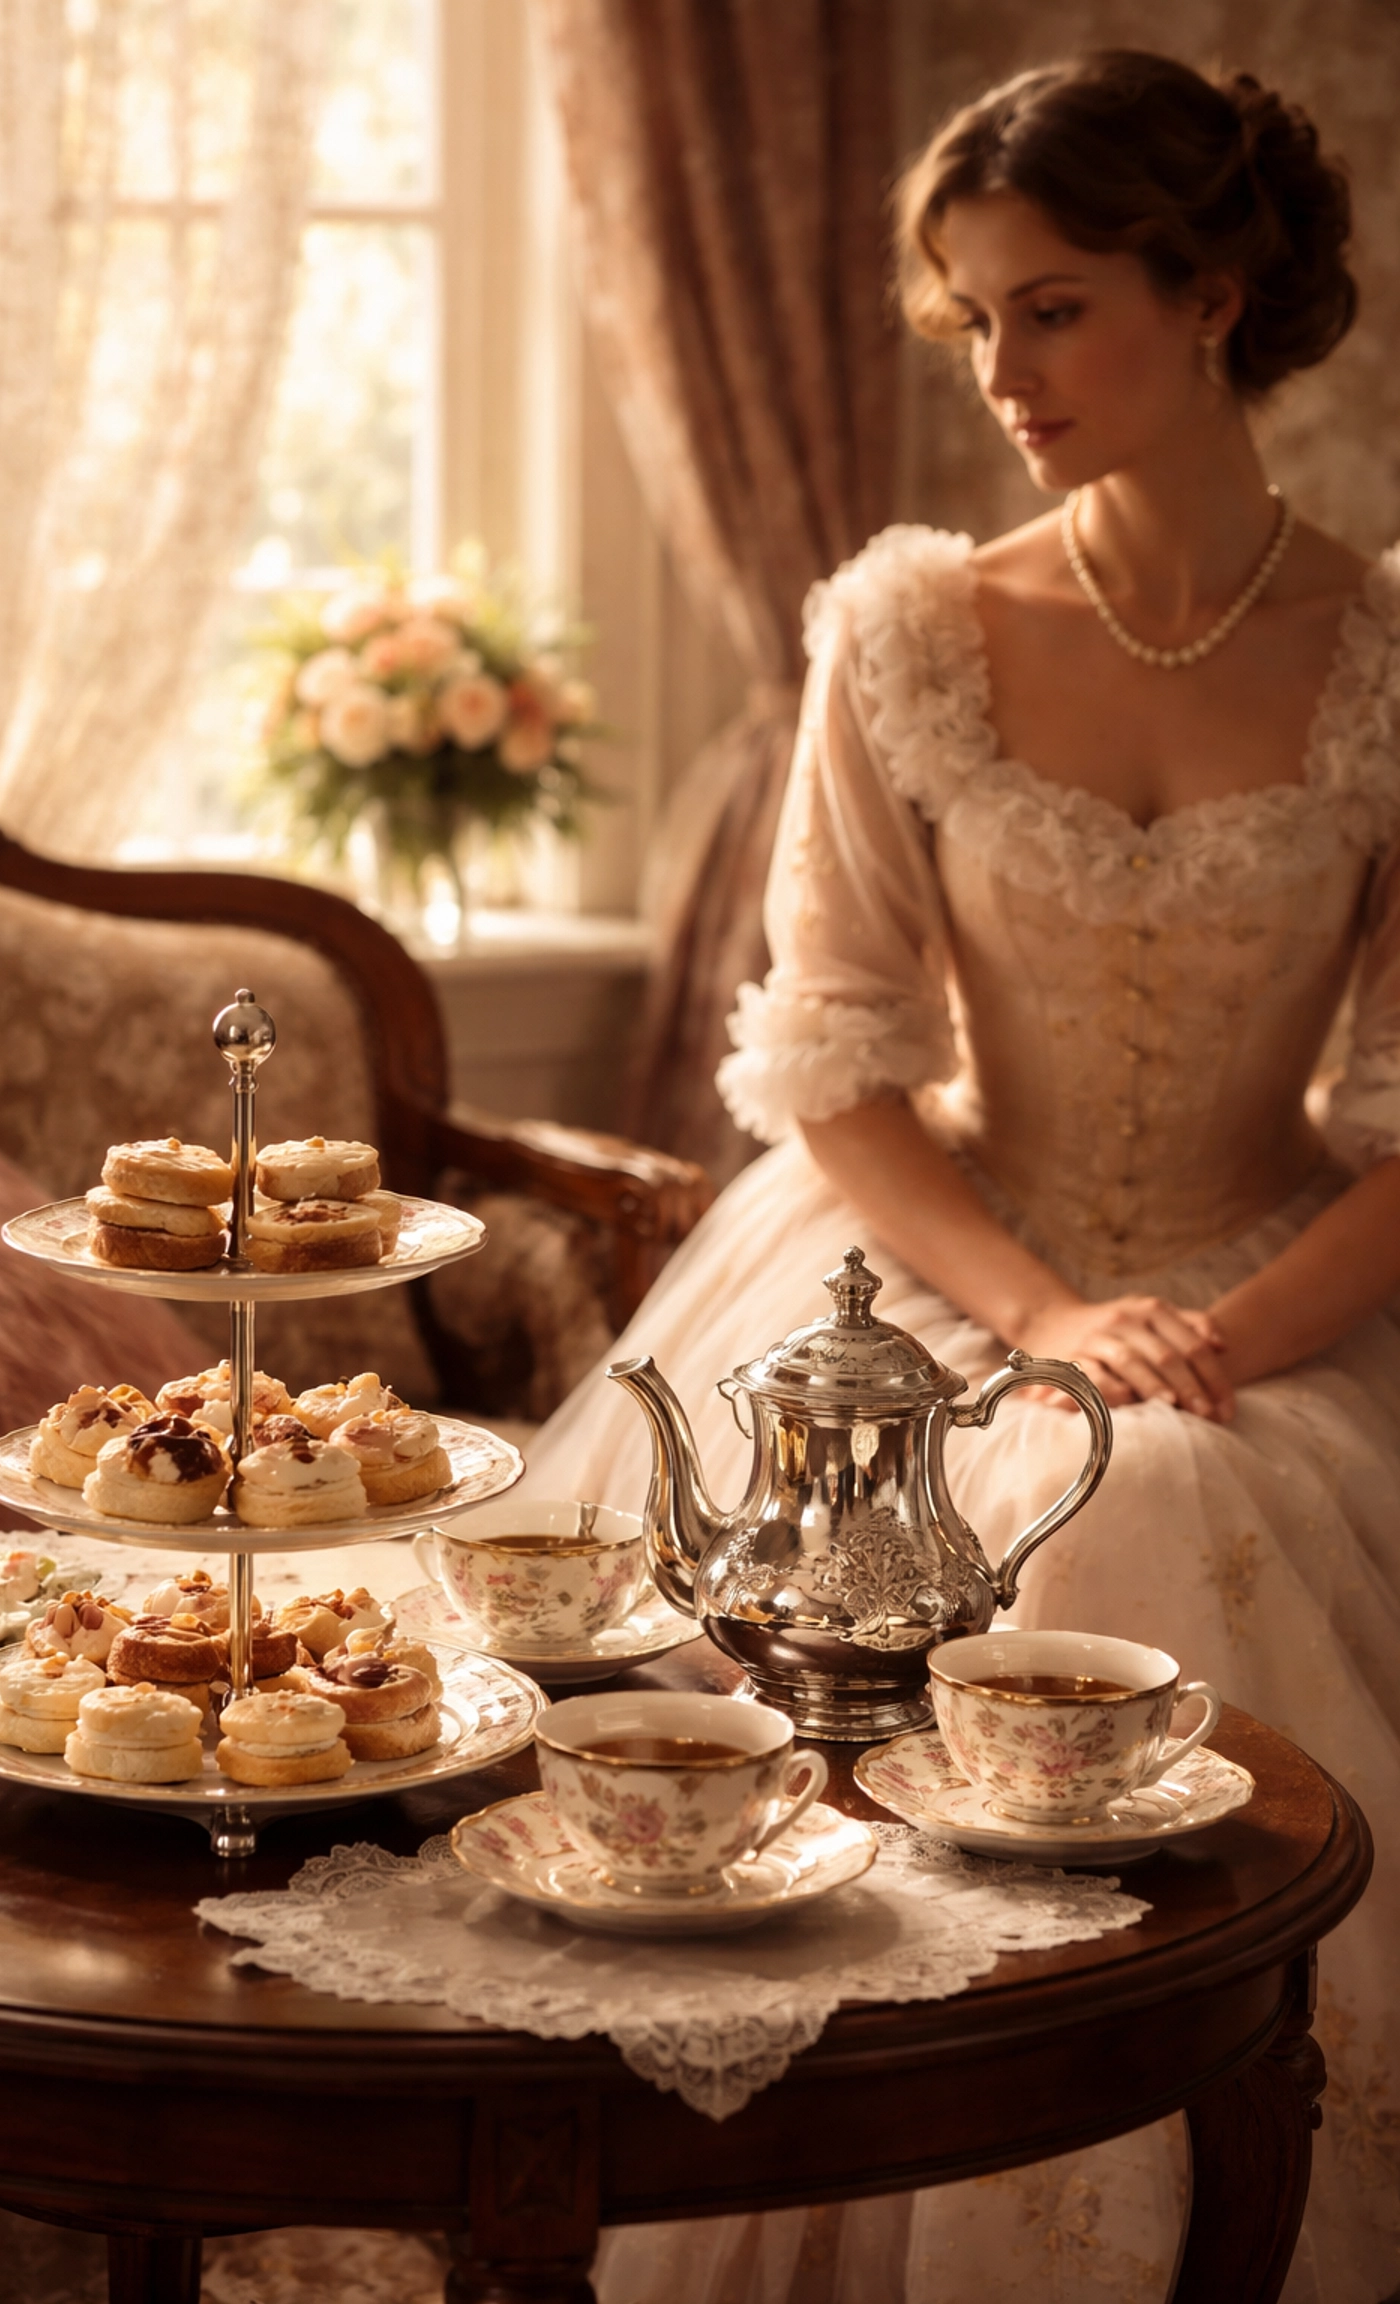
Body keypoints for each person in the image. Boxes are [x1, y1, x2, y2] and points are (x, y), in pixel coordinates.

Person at [526, 50, 1400, 2304]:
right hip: (940, 1271)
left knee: (1164, 1493)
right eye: (974, 319)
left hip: (1290, 1280)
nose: (998, 374)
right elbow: (830, 1072)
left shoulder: (1388, 652)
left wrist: (1209, 1337)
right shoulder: (909, 625)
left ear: (1216, 296)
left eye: (1056, 308)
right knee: (1018, 1496)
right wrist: (1042, 1323)